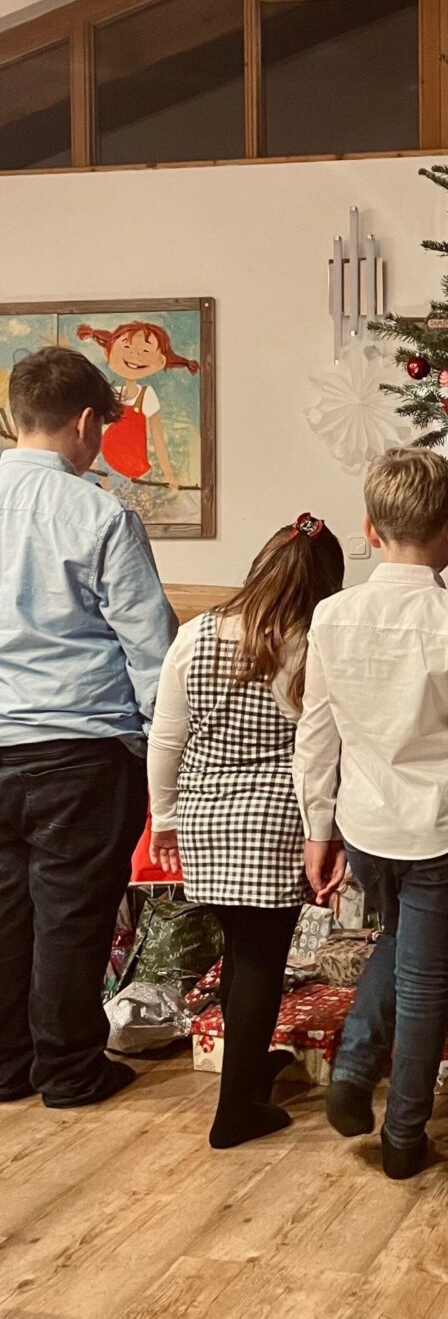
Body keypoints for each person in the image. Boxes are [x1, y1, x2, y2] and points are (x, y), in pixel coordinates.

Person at [293, 448, 448, 1180]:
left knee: (396, 938)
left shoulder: (332, 615)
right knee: (423, 977)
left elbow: (316, 731)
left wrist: (318, 828)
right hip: (438, 828)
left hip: (364, 824)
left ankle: (355, 1068)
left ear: (370, 529)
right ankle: (405, 1134)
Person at [0, 346, 176, 1107]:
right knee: (72, 916)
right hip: (79, 745)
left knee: (5, 914)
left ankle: (7, 1066)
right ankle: (70, 1071)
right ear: (82, 423)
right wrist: (165, 757)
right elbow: (152, 650)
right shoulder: (100, 514)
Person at [147, 514, 344, 1150]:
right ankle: (236, 1112)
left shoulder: (196, 634)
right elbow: (320, 751)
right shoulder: (312, 646)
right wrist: (328, 829)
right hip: (275, 818)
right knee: (260, 958)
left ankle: (249, 1069)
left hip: (204, 814)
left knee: (237, 950)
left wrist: (164, 818)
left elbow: (166, 738)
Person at [76, 320, 199, 490]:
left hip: (130, 462)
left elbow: (157, 436)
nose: (135, 356)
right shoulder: (112, 393)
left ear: (160, 362)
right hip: (104, 456)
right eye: (126, 347)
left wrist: (168, 473)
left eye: (145, 351)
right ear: (108, 352)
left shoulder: (146, 396)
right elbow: (96, 427)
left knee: (110, 493)